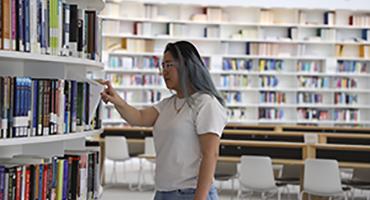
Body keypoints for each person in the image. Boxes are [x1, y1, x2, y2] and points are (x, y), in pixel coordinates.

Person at [100, 41, 227, 200]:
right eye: (162, 66)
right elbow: (137, 117)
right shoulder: (168, 103)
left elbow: (210, 154)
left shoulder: (206, 103)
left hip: (190, 192)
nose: (164, 72)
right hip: (163, 192)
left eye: (169, 65)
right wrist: (115, 99)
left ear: (186, 65)